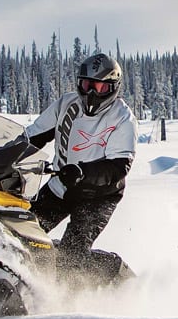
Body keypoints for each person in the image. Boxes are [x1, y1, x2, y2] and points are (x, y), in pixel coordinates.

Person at [23, 53, 136, 279]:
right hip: (60, 186)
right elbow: (31, 138)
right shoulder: (65, 105)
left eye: (100, 88)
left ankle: (109, 277)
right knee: (21, 234)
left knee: (72, 255)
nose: (92, 93)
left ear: (113, 88)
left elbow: (118, 167)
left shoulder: (122, 117)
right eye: (87, 85)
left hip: (99, 196)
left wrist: (83, 172)